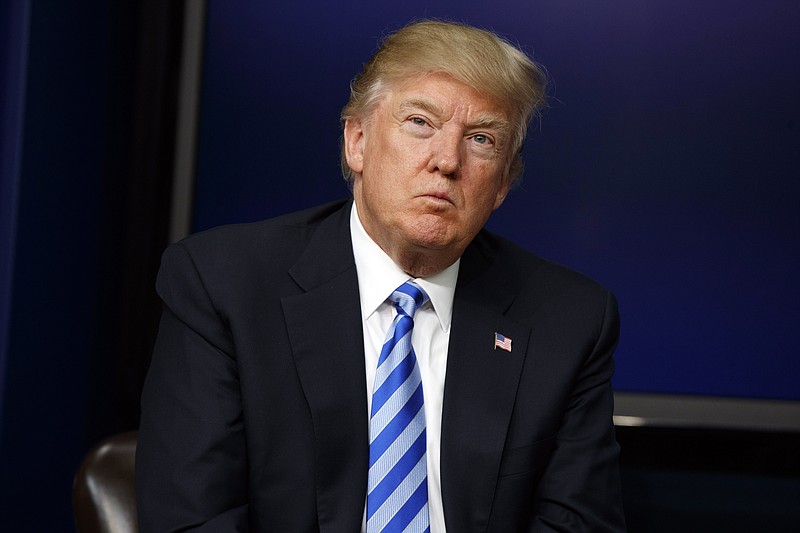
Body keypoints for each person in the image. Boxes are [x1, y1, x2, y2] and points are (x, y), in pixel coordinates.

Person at [136, 20, 626, 532]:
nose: (446, 161)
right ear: (358, 142)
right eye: (420, 122)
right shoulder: (224, 284)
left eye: (481, 139)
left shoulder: (568, 320)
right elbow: (191, 520)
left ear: (502, 184)